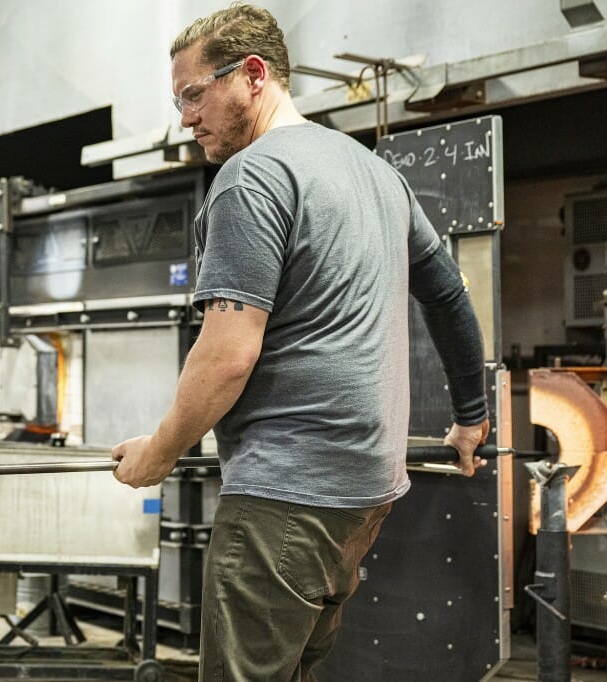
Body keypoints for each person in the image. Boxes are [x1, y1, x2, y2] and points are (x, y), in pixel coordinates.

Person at [111, 5, 490, 680]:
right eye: (179, 101)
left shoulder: (251, 178)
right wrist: (471, 419)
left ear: (253, 75)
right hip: (364, 493)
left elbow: (227, 356)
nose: (186, 118)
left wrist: (161, 452)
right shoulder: (377, 174)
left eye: (194, 95)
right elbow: (451, 299)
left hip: (283, 496)